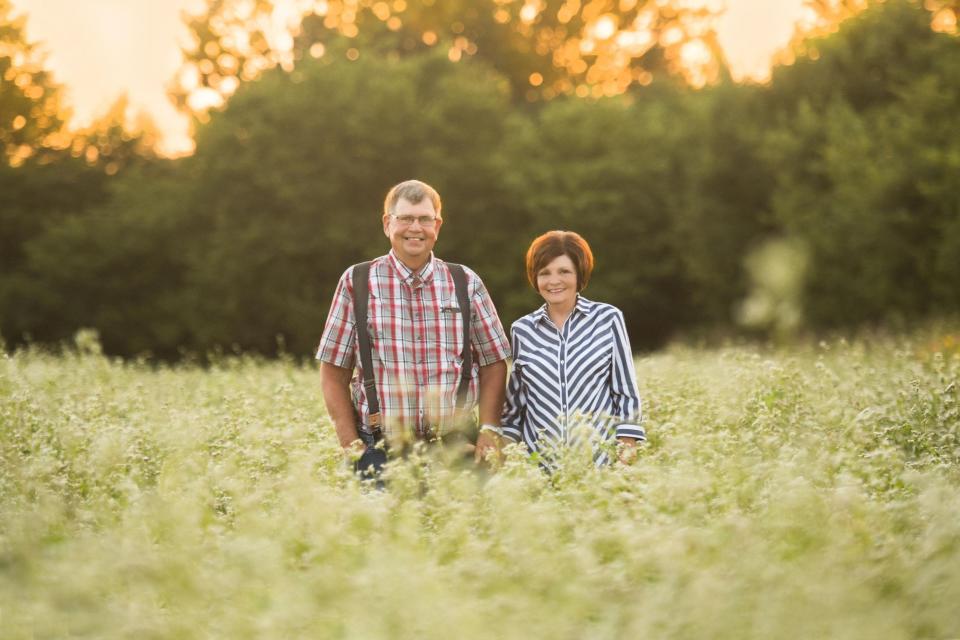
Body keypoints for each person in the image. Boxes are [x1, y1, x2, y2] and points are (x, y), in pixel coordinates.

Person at [317, 180, 510, 470]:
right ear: (387, 223)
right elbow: (333, 371)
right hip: (379, 451)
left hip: (458, 448)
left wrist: (489, 430)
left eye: (424, 219)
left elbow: (494, 362)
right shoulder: (357, 282)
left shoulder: (465, 282)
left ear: (438, 225)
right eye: (405, 218)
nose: (415, 228)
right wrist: (350, 444)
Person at [502, 230, 644, 467]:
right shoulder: (521, 330)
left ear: (580, 274)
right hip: (539, 470)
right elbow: (515, 408)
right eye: (544, 273)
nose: (553, 281)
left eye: (564, 271)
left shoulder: (608, 318)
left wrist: (626, 455)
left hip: (600, 467)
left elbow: (626, 393)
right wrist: (508, 464)